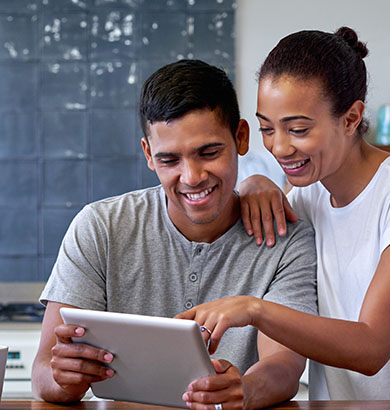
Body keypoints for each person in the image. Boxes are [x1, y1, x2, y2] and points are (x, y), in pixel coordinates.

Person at [177, 27, 390, 400]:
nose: (280, 147)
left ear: (352, 118)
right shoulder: (307, 194)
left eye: (299, 129)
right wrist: (255, 182)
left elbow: (372, 347)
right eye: (267, 129)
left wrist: (255, 310)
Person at [31, 59, 318, 409]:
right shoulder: (100, 227)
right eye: (169, 160)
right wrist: (64, 379)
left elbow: (285, 366)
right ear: (148, 154)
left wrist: (244, 390)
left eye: (208, 152)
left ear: (241, 137)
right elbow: (44, 372)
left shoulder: (286, 239)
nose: (192, 176)